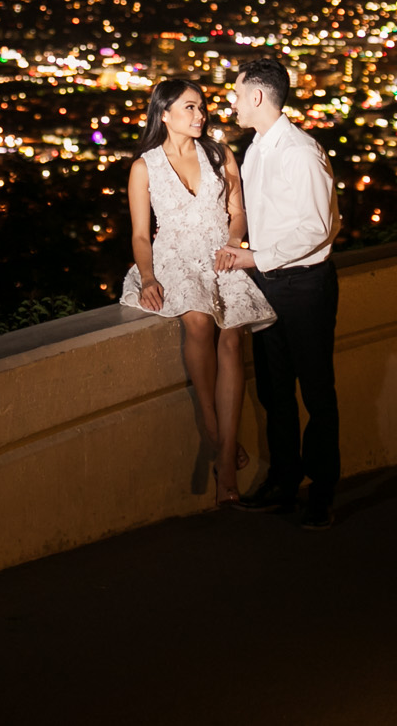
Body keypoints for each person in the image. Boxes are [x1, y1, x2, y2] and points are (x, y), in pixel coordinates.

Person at [119, 77, 276, 504]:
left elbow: (237, 214)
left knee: (231, 342)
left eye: (202, 107)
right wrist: (149, 278)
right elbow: (139, 236)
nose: (200, 114)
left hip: (220, 254)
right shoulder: (143, 167)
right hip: (174, 260)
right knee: (200, 324)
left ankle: (225, 465)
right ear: (163, 114)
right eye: (189, 107)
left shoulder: (220, 153)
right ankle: (214, 429)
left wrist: (232, 243)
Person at [214, 58, 343, 528]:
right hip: (269, 285)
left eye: (235, 93)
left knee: (316, 391)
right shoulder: (256, 149)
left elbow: (319, 228)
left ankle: (322, 492)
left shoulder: (299, 152)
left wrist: (254, 257)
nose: (230, 100)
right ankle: (284, 482)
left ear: (258, 96)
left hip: (304, 286)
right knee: (274, 390)